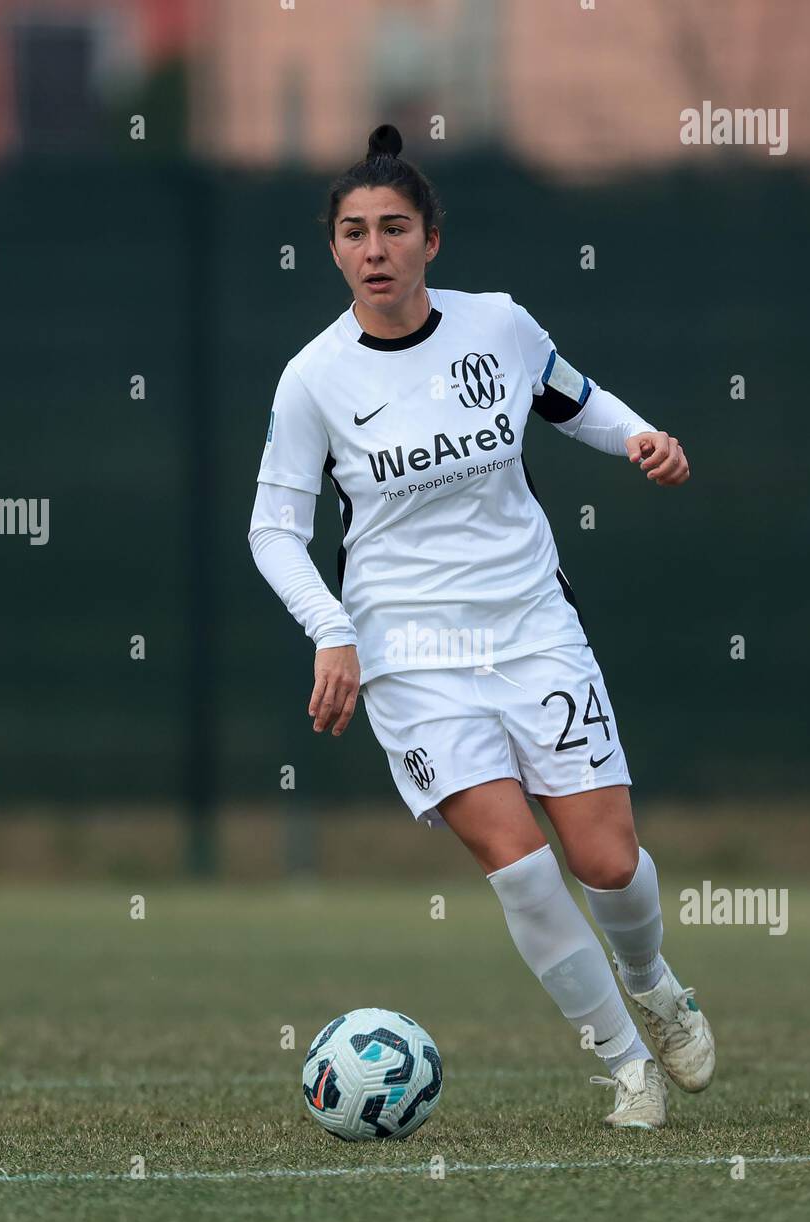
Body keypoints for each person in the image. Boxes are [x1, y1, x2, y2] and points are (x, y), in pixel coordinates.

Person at [249, 124, 715, 1128]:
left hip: (531, 626)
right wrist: (333, 630)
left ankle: (653, 983)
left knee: (607, 863)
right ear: (332, 249)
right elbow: (274, 531)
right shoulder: (312, 380)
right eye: (353, 232)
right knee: (520, 859)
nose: (374, 249)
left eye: (393, 228)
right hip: (407, 654)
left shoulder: (496, 327)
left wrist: (640, 438)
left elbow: (574, 400)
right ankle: (627, 1064)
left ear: (431, 241)